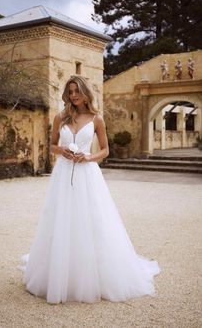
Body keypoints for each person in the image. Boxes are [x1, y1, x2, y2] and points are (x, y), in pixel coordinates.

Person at [17, 75, 161, 304]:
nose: (73, 96)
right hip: (63, 175)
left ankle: (93, 274)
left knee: (91, 220)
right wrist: (61, 151)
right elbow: (52, 145)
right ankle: (58, 271)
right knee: (61, 219)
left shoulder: (97, 119)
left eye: (77, 91)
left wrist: (89, 157)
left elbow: (105, 150)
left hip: (87, 174)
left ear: (85, 93)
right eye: (70, 91)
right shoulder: (60, 117)